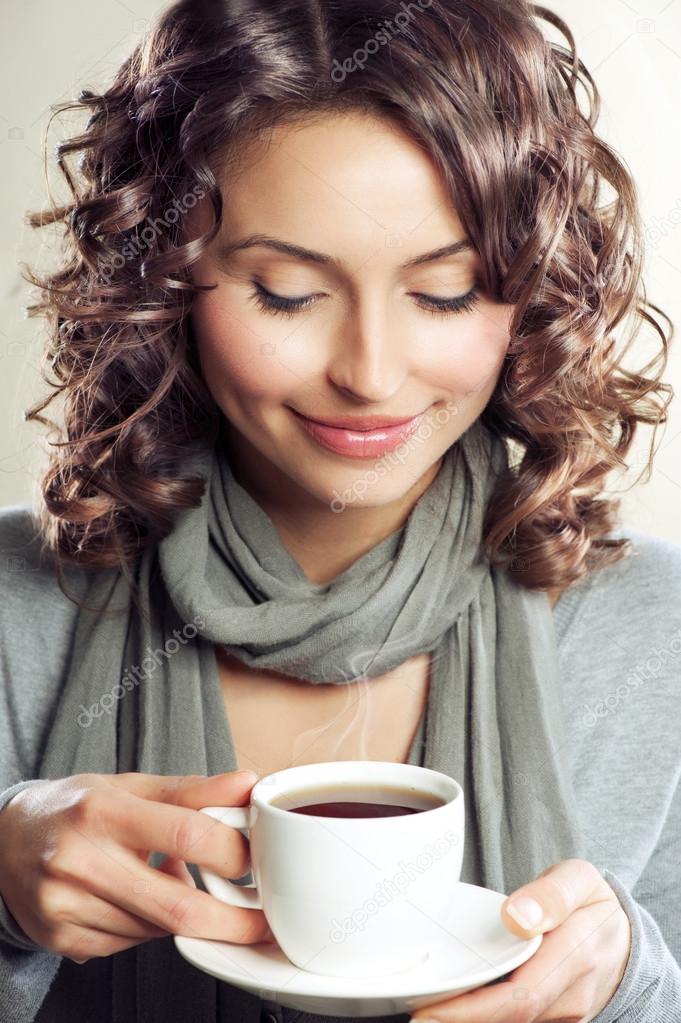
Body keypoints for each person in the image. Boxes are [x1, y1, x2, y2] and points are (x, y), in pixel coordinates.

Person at [0, 0, 679, 1021]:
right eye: (283, 292)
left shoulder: (651, 632)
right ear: (164, 280)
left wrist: (627, 978)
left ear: (533, 293)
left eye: (446, 293)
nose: (369, 375)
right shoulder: (17, 608)